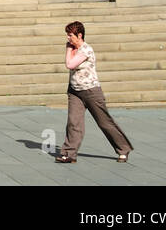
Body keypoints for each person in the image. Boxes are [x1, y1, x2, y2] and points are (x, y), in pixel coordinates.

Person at [55, 21, 133, 164]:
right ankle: (69, 153)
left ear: (80, 35)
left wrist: (67, 50)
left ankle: (123, 148)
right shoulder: (73, 48)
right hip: (75, 91)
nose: (68, 38)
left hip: (91, 91)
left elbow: (69, 64)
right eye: (67, 35)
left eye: (70, 35)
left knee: (104, 123)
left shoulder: (86, 50)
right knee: (73, 122)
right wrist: (70, 49)